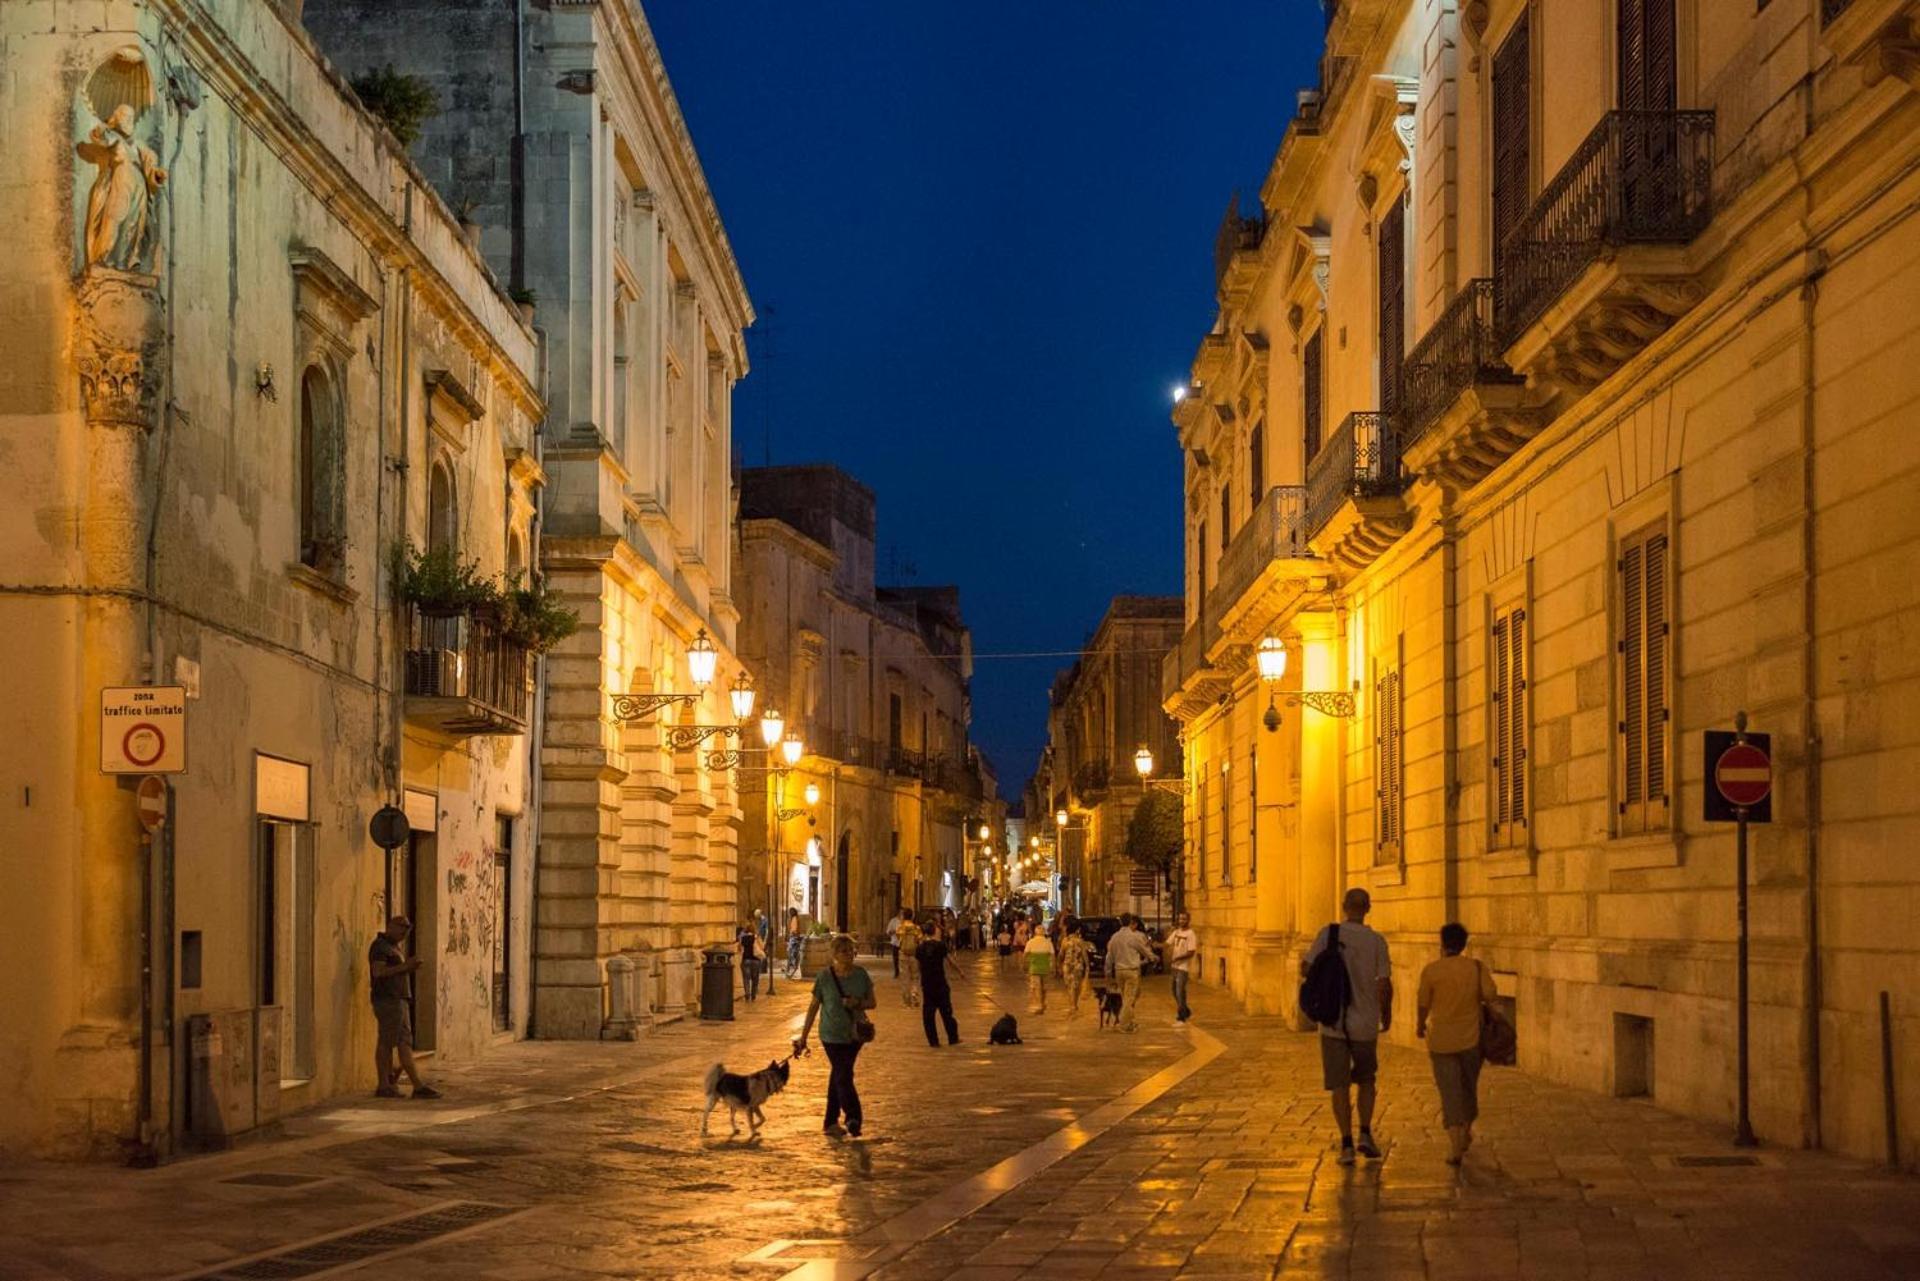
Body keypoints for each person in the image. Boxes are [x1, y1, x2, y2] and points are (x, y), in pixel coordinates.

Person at [1301, 887, 1394, 1166]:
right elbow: (1384, 983)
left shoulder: (1328, 934)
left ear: (1343, 906)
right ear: (1368, 908)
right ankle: (1365, 1132)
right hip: (1365, 1022)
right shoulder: (1377, 942)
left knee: (1339, 1084)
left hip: (1333, 1024)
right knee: (1367, 1079)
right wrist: (1386, 1014)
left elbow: (1305, 969)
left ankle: (1346, 1144)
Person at [1417, 922, 1498, 1165]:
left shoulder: (1431, 970)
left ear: (1442, 943)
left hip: (1440, 1039)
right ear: (1464, 944)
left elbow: (1423, 1003)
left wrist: (1420, 1025)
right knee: (1468, 1087)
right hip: (1471, 1038)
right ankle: (1465, 1130)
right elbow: (1490, 994)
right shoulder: (1475, 967)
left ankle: (1455, 1145)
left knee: (1448, 1090)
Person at [794, 934, 876, 1138]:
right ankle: (853, 1117)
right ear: (834, 954)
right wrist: (803, 1036)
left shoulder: (861, 975)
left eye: (850, 951)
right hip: (830, 1034)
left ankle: (830, 1122)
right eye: (843, 951)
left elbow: (872, 1002)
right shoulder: (824, 977)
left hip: (855, 1035)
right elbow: (814, 1007)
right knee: (843, 1073)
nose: (848, 954)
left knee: (839, 1075)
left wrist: (856, 1003)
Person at [368, 916, 440, 1099]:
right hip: (388, 1000)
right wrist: (406, 966)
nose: (405, 933)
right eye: (402, 929)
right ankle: (383, 1084)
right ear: (391, 926)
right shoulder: (380, 947)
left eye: (407, 930)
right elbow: (378, 972)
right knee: (386, 1042)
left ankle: (417, 1085)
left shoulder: (394, 947)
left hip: (399, 999)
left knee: (404, 1043)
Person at [1104, 913, 1155, 1033]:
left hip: (1119, 972)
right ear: (1129, 921)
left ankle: (1130, 1021)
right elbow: (1143, 949)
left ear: (1120, 922)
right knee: (1129, 999)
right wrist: (1152, 957)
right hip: (1131, 971)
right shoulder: (1133, 937)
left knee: (1125, 997)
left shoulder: (1114, 937)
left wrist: (1108, 972)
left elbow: (1109, 956)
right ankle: (1124, 1024)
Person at [916, 917, 961, 1046]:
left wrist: (921, 978)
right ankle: (953, 1038)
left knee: (928, 1014)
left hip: (927, 984)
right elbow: (950, 961)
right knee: (946, 1012)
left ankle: (933, 1041)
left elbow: (919, 966)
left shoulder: (920, 948)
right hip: (940, 983)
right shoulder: (940, 946)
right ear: (934, 931)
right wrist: (960, 972)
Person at [1166, 912, 1199, 1024]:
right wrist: (1153, 944)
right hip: (1174, 966)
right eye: (1180, 919)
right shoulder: (1176, 932)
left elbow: (1191, 952)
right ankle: (1185, 1010)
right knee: (1174, 991)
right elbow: (1167, 943)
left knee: (1180, 991)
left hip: (1183, 967)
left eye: (1184, 919)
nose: (1181, 921)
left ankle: (1181, 1015)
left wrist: (1179, 958)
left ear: (1188, 920)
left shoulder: (1191, 934)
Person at [1059, 922, 1092, 1018]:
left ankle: (1072, 1006)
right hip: (1077, 966)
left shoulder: (1065, 941)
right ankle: (1074, 1006)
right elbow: (1084, 954)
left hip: (1067, 966)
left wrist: (1059, 965)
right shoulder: (1079, 941)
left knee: (1069, 987)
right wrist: (1087, 966)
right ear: (1077, 930)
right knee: (1076, 987)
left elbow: (1061, 954)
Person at [1024, 922, 1054, 1013]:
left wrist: (1024, 965)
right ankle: (1043, 1003)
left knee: (1036, 988)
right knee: (1044, 988)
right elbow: (1053, 956)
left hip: (1034, 969)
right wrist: (1054, 967)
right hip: (1045, 969)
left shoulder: (1030, 942)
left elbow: (1025, 955)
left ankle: (1039, 1005)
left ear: (1035, 933)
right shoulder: (1048, 943)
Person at [895, 907, 923, 1005]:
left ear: (903, 916)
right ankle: (914, 993)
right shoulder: (916, 928)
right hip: (914, 955)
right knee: (915, 976)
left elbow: (898, 937)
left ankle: (906, 999)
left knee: (905, 977)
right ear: (912, 916)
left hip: (903, 954)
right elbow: (920, 940)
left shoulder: (900, 927)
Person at [736, 918, 760, 1001]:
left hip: (746, 959)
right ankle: (753, 995)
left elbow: (739, 949)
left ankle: (747, 994)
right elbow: (762, 946)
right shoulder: (756, 937)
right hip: (756, 960)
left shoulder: (743, 938)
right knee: (755, 979)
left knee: (746, 979)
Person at [785, 908, 804, 977]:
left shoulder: (795, 919)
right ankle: (789, 971)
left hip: (794, 938)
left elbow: (794, 930)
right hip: (794, 938)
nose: (789, 914)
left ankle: (790, 971)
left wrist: (791, 934)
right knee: (791, 955)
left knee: (792, 955)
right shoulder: (795, 918)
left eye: (790, 912)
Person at [885, 908, 904, 977]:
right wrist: (893, 932)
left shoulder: (905, 921)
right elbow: (888, 931)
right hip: (895, 942)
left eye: (903, 913)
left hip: (903, 942)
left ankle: (903, 971)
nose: (902, 914)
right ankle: (896, 972)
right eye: (901, 912)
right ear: (898, 913)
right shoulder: (893, 921)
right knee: (895, 958)